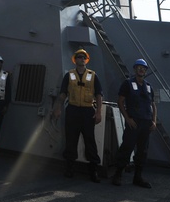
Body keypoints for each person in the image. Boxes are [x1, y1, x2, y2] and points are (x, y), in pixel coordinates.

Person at [51, 48, 104, 182]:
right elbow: (63, 94)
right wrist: (57, 109)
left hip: (87, 112)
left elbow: (99, 94)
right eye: (79, 57)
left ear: (86, 60)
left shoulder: (93, 75)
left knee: (90, 141)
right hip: (73, 111)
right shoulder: (69, 75)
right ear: (75, 60)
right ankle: (69, 169)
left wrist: (98, 112)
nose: (81, 59)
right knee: (71, 140)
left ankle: (93, 171)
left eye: (83, 57)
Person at [111, 58, 157, 188]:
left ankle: (138, 177)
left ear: (146, 71)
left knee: (143, 151)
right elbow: (120, 101)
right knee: (127, 147)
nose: (141, 69)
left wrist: (154, 121)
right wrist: (127, 118)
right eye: (139, 67)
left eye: (144, 68)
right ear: (135, 69)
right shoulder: (128, 83)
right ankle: (118, 174)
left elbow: (153, 105)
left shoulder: (148, 87)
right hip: (134, 122)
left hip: (146, 123)